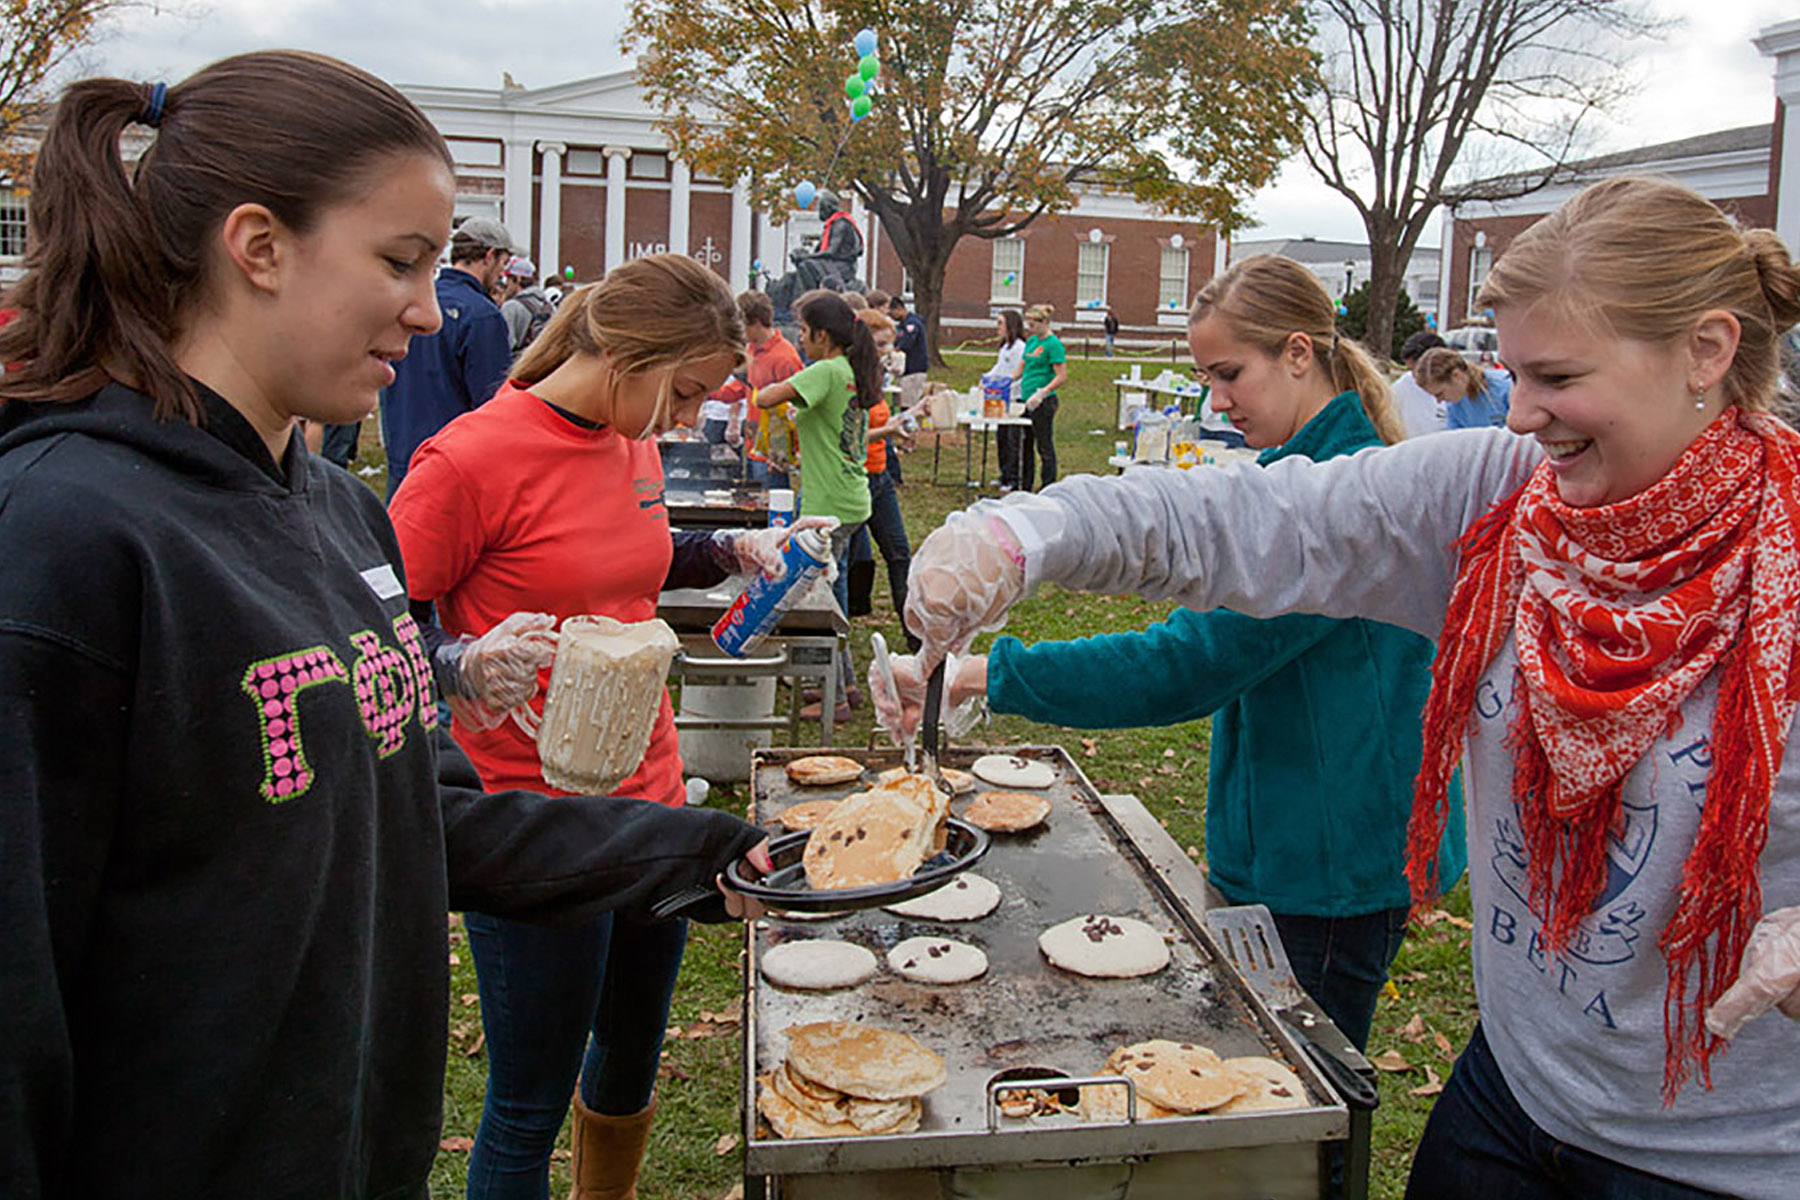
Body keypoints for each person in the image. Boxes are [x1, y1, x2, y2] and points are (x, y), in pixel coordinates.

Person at [903, 176, 1800, 1200]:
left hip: (1722, 1160)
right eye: (1516, 376)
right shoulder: (1498, 498)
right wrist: (1029, 532)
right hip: (1514, 1098)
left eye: (1557, 377)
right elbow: (1251, 521)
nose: (1523, 415)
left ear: (1707, 351)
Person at [0, 52, 772, 1200]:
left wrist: (703, 855)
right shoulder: (59, 538)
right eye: (400, 261)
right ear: (258, 246)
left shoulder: (337, 511)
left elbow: (411, 811)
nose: (430, 307)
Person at [879, 255, 1454, 1057]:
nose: (1216, 401)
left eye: (1230, 374)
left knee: (1303, 1077)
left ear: (1298, 354)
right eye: (1205, 378)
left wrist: (984, 673)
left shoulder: (1343, 498)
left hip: (1329, 861)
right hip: (1297, 838)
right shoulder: (1300, 473)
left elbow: (1187, 665)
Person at [389, 255, 822, 1200]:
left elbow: (628, 558)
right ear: (629, 357)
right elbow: (374, 630)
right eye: (686, 393)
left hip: (650, 800)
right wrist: (460, 662)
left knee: (628, 1055)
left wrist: (728, 549)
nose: (687, 418)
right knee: (529, 1100)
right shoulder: (468, 460)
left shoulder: (630, 437)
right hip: (532, 824)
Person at [757, 291, 881, 720]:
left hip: (826, 506)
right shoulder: (849, 369)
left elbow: (766, 398)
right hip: (849, 499)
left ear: (823, 335)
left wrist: (754, 379)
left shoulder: (825, 370)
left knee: (812, 598)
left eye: (804, 331)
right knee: (832, 595)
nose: (800, 339)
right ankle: (845, 684)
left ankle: (832, 696)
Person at [379, 213, 517, 498]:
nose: (502, 275)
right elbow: (492, 404)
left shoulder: (415, 302)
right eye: (503, 264)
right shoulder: (481, 315)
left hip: (403, 454)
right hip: (452, 467)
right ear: (489, 256)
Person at [845, 308, 917, 649]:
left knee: (900, 554)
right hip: (853, 479)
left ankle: (916, 636)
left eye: (890, 344)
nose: (888, 351)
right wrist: (888, 430)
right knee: (844, 562)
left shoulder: (875, 375)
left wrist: (907, 420)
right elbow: (850, 438)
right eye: (881, 344)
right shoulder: (846, 379)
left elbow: (879, 426)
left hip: (880, 477)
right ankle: (836, 637)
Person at [733, 288, 804, 487]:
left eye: (741, 325)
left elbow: (797, 407)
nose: (739, 331)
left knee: (772, 501)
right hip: (753, 445)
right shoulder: (751, 349)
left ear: (756, 322)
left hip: (773, 454)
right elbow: (744, 388)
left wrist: (794, 452)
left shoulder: (785, 358)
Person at [1015, 303, 1067, 490]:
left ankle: (1048, 485)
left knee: (1044, 445)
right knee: (1025, 444)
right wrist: (1004, 380)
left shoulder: (1053, 344)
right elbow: (1022, 367)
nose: (1031, 328)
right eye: (1028, 324)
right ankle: (1025, 484)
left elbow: (1061, 376)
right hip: (1026, 398)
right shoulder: (1031, 342)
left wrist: (1043, 391)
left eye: (1034, 324)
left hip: (1043, 400)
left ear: (1044, 322)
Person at [1415, 344, 1512, 429]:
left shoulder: (1505, 387)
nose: (1439, 401)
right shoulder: (1454, 407)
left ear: (1456, 376)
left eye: (1440, 394)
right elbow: (1456, 439)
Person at [989, 309, 1029, 491]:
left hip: (1015, 398)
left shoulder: (1020, 348)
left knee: (1013, 440)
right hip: (1002, 399)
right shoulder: (1005, 347)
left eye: (1000, 323)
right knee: (1002, 438)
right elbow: (998, 368)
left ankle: (1013, 478)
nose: (997, 327)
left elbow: (1019, 373)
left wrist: (1005, 385)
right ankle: (1004, 474)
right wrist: (987, 379)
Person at [1392, 329, 1449, 437]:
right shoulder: (1400, 388)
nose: (1415, 377)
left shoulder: (1457, 388)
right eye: (1410, 370)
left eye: (1418, 371)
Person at [500, 256, 555, 353]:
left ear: (518, 278)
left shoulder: (510, 307)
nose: (506, 283)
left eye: (508, 278)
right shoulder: (547, 304)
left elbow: (505, 345)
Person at [889, 292, 929, 412]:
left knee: (908, 405)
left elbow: (905, 343)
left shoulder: (911, 324)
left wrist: (893, 350)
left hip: (914, 370)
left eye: (892, 313)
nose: (891, 317)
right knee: (901, 402)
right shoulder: (903, 325)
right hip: (906, 370)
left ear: (899, 309)